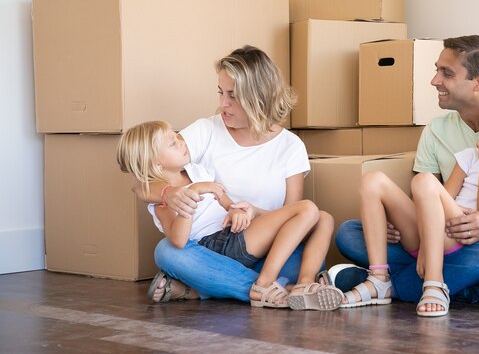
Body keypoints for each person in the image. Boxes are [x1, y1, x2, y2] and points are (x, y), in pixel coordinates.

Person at [333, 35, 479, 307]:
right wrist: (393, 223)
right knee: (349, 233)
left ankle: (399, 285)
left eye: (447, 73)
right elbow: (428, 195)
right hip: (446, 235)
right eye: (437, 70)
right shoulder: (437, 131)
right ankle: (473, 287)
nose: (434, 81)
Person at [127, 45, 341, 310]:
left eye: (233, 96)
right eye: (220, 92)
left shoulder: (290, 146)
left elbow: (292, 215)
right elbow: (142, 177)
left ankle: (210, 289)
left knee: (322, 220)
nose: (222, 104)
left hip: (267, 248)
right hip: (216, 249)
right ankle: (276, 290)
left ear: (258, 97)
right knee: (167, 252)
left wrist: (251, 211)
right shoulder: (207, 130)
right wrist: (170, 193)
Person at [117, 119, 342, 310]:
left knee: (323, 219)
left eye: (177, 136)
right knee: (307, 208)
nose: (181, 141)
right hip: (216, 246)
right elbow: (178, 240)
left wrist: (235, 210)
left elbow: (223, 199)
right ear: (155, 162)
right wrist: (191, 194)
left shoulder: (197, 170)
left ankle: (302, 284)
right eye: (172, 143)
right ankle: (266, 284)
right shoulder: (162, 202)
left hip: (233, 235)